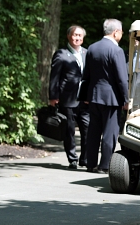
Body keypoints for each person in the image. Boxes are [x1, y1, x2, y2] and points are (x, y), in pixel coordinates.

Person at [80, 19, 129, 174]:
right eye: (121, 32)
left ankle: (90, 163)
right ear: (116, 32)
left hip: (94, 96)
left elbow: (86, 75)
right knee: (110, 133)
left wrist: (85, 95)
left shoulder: (92, 48)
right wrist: (126, 99)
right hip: (111, 98)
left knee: (93, 132)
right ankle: (104, 165)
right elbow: (121, 78)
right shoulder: (116, 51)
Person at [48, 25, 90, 169]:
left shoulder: (87, 53)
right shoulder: (61, 54)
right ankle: (73, 158)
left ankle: (84, 158)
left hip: (84, 100)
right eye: (75, 35)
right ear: (68, 36)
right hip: (67, 99)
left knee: (87, 129)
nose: (77, 38)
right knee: (69, 130)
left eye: (80, 35)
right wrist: (53, 96)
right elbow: (54, 77)